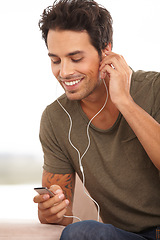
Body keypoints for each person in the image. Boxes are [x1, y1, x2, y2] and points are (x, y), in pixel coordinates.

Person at [33, 0, 160, 239]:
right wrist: (53, 212)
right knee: (82, 232)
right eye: (56, 60)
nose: (64, 72)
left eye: (76, 58)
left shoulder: (155, 88)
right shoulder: (55, 119)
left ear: (106, 50)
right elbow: (64, 210)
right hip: (126, 236)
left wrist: (124, 101)